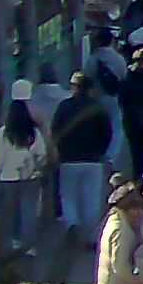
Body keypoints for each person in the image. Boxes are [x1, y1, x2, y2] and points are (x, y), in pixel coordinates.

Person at [52, 75, 117, 239]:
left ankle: (72, 224)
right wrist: (101, 152)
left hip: (68, 159)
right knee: (92, 198)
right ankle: (91, 234)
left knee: (68, 195)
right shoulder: (98, 108)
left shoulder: (64, 106)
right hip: (93, 160)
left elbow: (55, 130)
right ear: (91, 89)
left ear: (73, 87)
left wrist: (60, 150)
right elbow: (107, 133)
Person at [0, 98, 54, 249]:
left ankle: (14, 241)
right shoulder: (34, 133)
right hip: (31, 177)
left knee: (12, 211)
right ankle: (29, 245)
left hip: (8, 177)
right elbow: (42, 155)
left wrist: (0, 170)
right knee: (29, 211)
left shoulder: (3, 133)